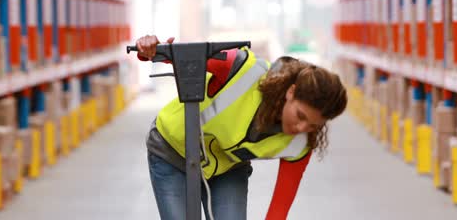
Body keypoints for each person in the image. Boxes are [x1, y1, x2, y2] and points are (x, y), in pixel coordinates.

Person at [137, 35, 348, 220]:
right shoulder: (244, 71)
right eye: (300, 115)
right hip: (171, 152)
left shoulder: (301, 143)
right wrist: (150, 49)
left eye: (312, 125)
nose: (300, 127)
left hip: (226, 167)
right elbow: (187, 56)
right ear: (291, 92)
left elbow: (278, 211)